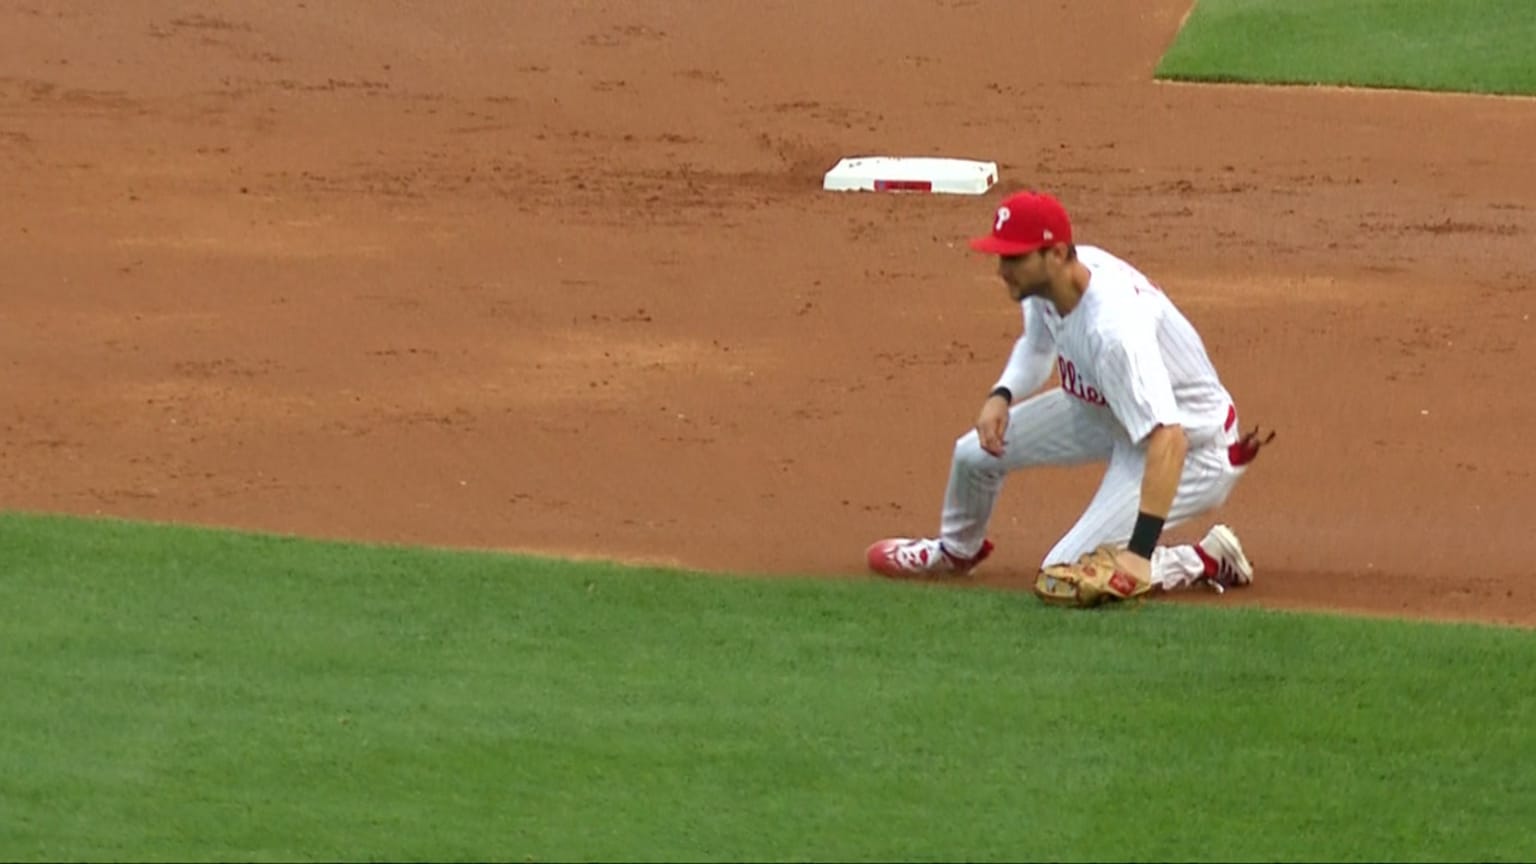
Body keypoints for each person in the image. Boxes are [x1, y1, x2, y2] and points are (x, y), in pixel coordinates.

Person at [865, 190, 1271, 604]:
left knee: (1062, 573)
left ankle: (1203, 558)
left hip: (1187, 448)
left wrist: (1138, 553)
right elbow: (1038, 346)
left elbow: (1170, 438)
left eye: (1014, 258)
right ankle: (953, 552)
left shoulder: (1113, 333)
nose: (1002, 269)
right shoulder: (1053, 285)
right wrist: (1001, 395)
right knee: (973, 456)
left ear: (1056, 254)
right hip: (1106, 412)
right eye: (1001, 256)